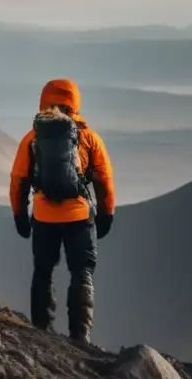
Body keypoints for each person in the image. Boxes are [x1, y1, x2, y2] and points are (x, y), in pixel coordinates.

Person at [9, 78, 115, 345]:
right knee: (82, 272)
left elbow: (18, 179)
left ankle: (41, 330)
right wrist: (106, 215)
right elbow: (104, 180)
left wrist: (20, 215)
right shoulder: (89, 138)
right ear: (75, 103)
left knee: (43, 270)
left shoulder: (32, 138)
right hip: (79, 216)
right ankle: (80, 336)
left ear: (44, 101)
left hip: (44, 216)